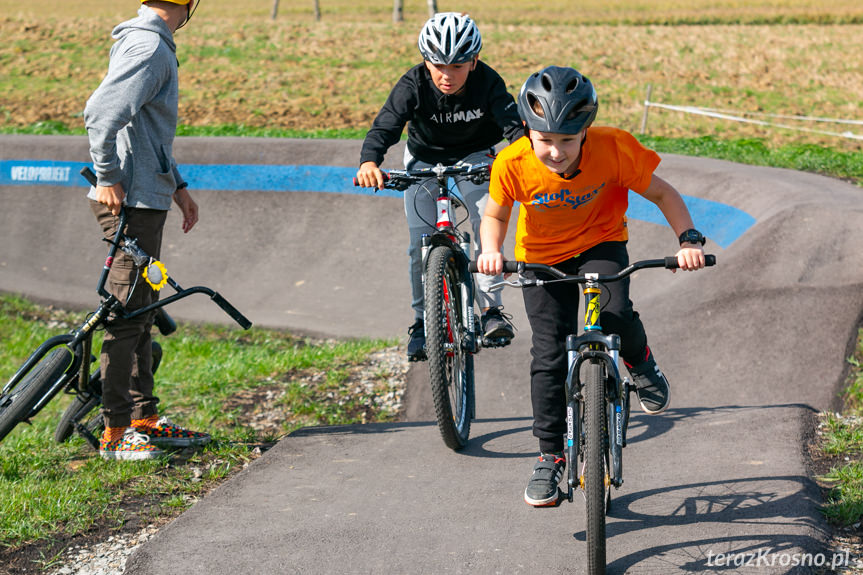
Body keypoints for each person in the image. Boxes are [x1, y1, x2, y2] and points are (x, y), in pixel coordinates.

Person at [476, 66, 707, 506]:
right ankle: (550, 457)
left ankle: (641, 365)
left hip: (601, 242)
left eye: (567, 140)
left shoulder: (614, 148)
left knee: (614, 313)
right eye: (545, 140)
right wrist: (491, 251)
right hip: (540, 254)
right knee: (548, 351)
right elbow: (496, 216)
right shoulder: (512, 162)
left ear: (585, 131)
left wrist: (688, 239)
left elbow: (663, 194)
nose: (556, 152)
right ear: (527, 131)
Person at [355, 12, 522, 362]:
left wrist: (526, 159)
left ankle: (491, 311)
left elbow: (513, 127)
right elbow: (385, 126)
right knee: (420, 244)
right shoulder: (412, 85)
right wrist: (369, 162)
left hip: (479, 157)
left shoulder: (489, 81)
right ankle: (421, 323)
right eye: (437, 65)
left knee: (487, 225)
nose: (447, 75)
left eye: (458, 66)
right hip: (424, 159)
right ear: (425, 61)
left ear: (474, 61)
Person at [84, 0, 208, 461]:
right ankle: (115, 432)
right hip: (129, 201)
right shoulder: (149, 48)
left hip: (146, 196)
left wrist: (177, 187)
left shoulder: (150, 44)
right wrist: (107, 176)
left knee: (143, 310)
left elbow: (145, 134)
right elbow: (100, 114)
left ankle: (142, 419)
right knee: (126, 314)